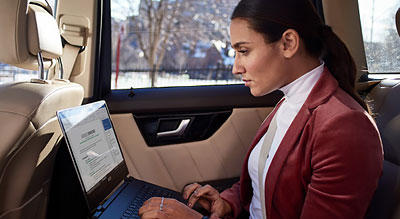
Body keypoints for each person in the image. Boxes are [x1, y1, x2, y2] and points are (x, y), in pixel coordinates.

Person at [138, 0, 383, 218]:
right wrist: (227, 202)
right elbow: (266, 185)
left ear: (288, 43)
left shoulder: (344, 125)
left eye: (243, 51)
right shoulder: (290, 102)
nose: (235, 67)